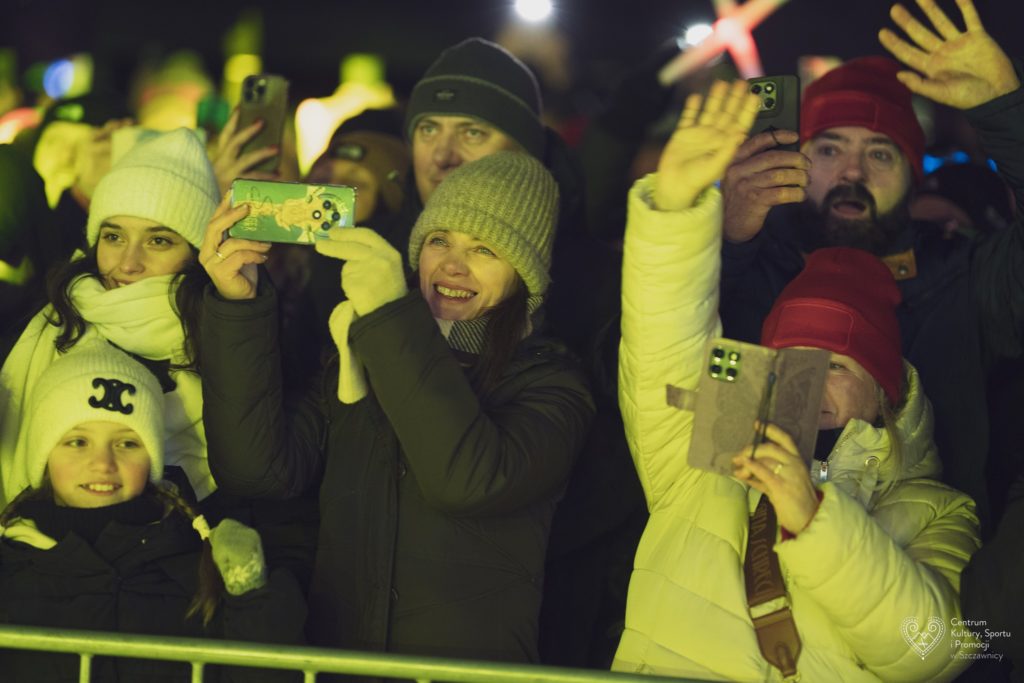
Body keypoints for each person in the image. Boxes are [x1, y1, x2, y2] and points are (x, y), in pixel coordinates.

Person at [611, 79, 980, 682]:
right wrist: (676, 209)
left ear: (885, 392)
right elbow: (661, 338)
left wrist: (814, 520)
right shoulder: (713, 451)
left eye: (835, 366)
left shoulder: (939, 510)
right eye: (789, 362)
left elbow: (934, 651)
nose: (805, 383)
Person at [197, 151, 594, 664]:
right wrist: (240, 305)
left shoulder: (552, 385)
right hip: (343, 669)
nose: (453, 264)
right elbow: (255, 472)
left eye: (485, 249)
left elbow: (465, 481)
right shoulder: (360, 349)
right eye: (439, 241)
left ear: (524, 274)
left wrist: (390, 315)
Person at [717, 0, 1024, 529]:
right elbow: (635, 370)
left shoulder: (968, 277)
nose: (853, 172)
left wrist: (1007, 116)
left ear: (913, 175)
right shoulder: (746, 264)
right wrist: (722, 243)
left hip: (925, 554)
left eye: (880, 153)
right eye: (829, 149)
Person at [0, 339, 305, 682]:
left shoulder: (199, 564)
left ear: (153, 459)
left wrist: (251, 595)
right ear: (44, 455)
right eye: (78, 442)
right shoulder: (10, 568)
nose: (103, 463)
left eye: (127, 443)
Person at [0, 127, 220, 509]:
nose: (128, 263)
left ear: (197, 253)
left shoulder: (226, 337)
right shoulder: (49, 317)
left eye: (158, 240)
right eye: (114, 237)